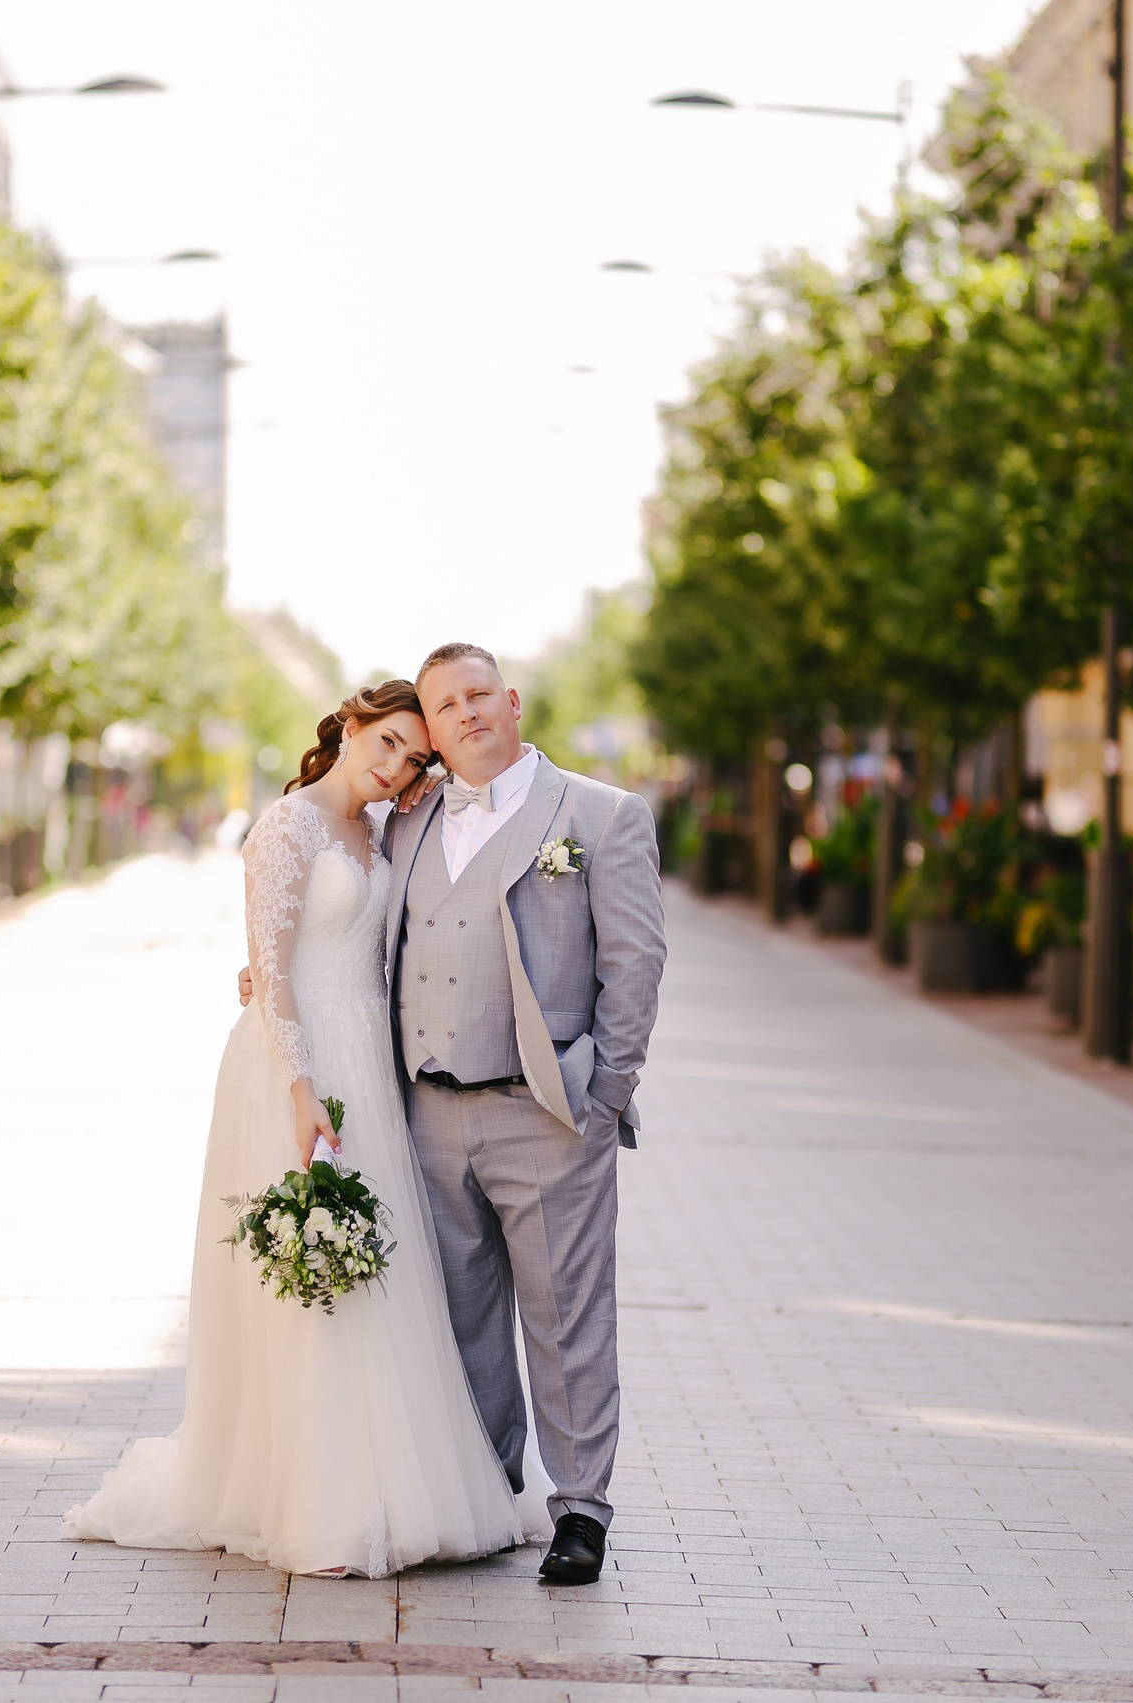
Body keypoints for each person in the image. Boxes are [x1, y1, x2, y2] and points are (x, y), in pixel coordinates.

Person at [61, 680, 547, 1579]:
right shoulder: (285, 828)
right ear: (350, 725)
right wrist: (299, 1085)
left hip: (373, 1062)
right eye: (388, 741)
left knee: (380, 1273)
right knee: (308, 1277)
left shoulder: (385, 830)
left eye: (412, 754)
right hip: (300, 1069)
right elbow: (274, 975)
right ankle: (310, 1495)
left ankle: (393, 1482)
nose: (396, 762)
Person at [383, 642, 666, 1586]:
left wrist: (604, 1094)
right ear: (429, 728)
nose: (463, 714)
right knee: (459, 1317)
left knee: (566, 1318)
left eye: (477, 694)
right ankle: (484, 1489)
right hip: (427, 1110)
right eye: (443, 705)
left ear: (511, 700)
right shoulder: (409, 820)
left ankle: (581, 1508)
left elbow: (635, 963)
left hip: (546, 1113)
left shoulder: (599, 815)